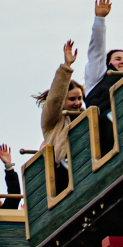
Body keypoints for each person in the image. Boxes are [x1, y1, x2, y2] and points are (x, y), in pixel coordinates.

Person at [36, 38, 84, 186]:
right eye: (72, 99)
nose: (77, 103)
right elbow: (55, 99)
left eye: (80, 98)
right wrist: (66, 67)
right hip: (63, 167)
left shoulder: (86, 116)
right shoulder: (52, 120)